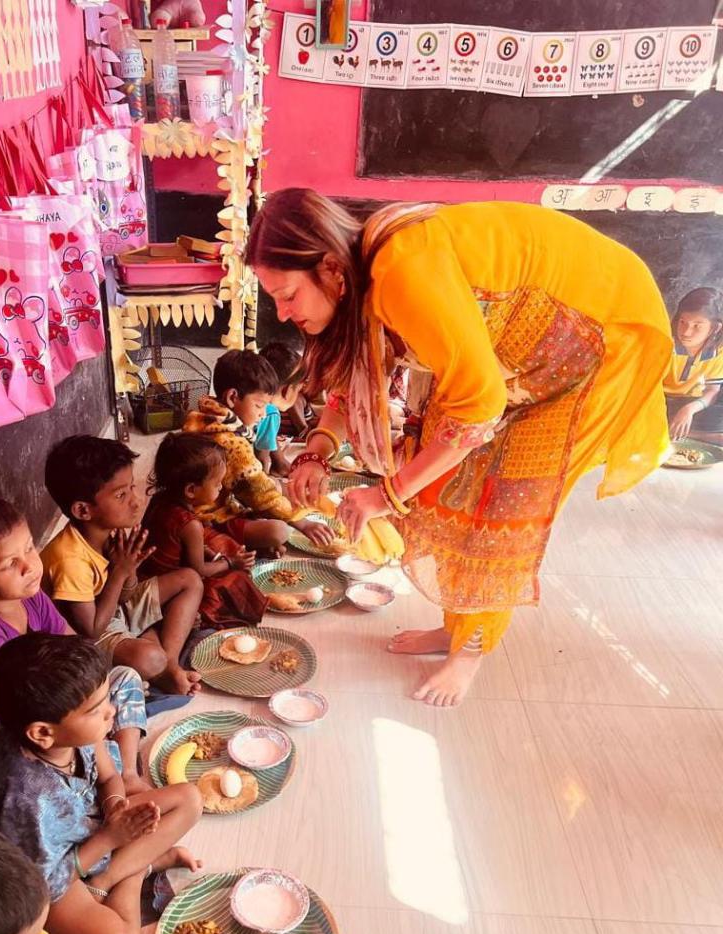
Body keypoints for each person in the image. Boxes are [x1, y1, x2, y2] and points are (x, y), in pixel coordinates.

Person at [247, 189, 672, 706]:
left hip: (589, 347)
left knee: (498, 511)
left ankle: (469, 652)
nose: (282, 313)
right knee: (443, 487)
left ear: (331, 268)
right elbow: (356, 373)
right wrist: (318, 449)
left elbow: (478, 409)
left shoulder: (402, 273)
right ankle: (456, 628)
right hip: (513, 364)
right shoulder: (364, 273)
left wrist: (385, 495)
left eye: (288, 294)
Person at [0, 634, 203, 934]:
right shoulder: (25, 797)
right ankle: (136, 871)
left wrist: (116, 806)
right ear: (42, 733)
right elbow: (41, 885)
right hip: (38, 874)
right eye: (96, 710)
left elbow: (109, 777)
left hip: (88, 828)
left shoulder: (73, 735)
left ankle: (106, 879)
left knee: (189, 799)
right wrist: (111, 838)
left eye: (106, 700)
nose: (111, 712)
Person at [0, 494, 150, 793]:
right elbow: (18, 720)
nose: (30, 566)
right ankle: (109, 768)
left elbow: (74, 644)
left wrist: (94, 697)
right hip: (4, 739)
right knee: (63, 763)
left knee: (124, 678)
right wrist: (86, 719)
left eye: (29, 548)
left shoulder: (29, 595)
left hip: (52, 704)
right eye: (10, 564)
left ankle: (127, 774)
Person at [40, 435, 203, 697]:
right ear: (83, 510)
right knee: (149, 657)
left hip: (113, 608)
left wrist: (129, 569)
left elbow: (126, 595)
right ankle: (160, 663)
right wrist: (120, 572)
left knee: (190, 580)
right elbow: (91, 630)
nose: (136, 501)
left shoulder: (111, 530)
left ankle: (169, 665)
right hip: (86, 634)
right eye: (121, 495)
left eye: (132, 487)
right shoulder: (69, 559)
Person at [182, 349, 332, 554]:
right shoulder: (229, 440)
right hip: (208, 518)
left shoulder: (204, 417)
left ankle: (251, 544)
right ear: (233, 397)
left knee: (275, 491)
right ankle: (228, 546)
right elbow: (258, 493)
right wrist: (302, 523)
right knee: (279, 531)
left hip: (213, 506)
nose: (262, 414)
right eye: (259, 406)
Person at [140, 432, 268, 628]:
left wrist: (215, 555)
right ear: (191, 490)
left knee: (221, 548)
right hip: (169, 591)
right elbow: (198, 570)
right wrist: (231, 563)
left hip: (147, 578)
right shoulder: (189, 524)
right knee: (235, 582)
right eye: (217, 484)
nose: (221, 488)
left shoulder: (159, 499)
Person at [663, 287, 723, 442]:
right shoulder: (665, 344)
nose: (686, 332)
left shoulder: (718, 352)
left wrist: (689, 409)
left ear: (715, 328)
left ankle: (675, 430)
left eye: (697, 326)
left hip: (691, 402)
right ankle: (696, 435)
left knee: (718, 414)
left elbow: (712, 390)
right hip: (660, 399)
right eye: (683, 322)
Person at [254, 342, 312, 474]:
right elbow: (261, 461)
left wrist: (280, 462)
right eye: (298, 390)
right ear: (287, 391)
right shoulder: (269, 412)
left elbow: (268, 436)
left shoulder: (250, 401)